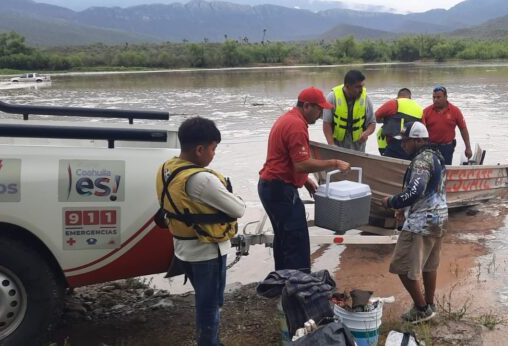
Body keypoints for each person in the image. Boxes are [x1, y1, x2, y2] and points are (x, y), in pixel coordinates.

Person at [156, 117, 246, 346]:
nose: (214, 154)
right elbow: (239, 209)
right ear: (199, 149)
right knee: (210, 307)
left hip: (184, 249)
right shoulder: (201, 180)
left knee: (204, 301)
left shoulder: (167, 168)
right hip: (207, 253)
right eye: (213, 148)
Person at [259, 86, 351, 272]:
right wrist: (334, 162)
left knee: (284, 239)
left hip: (270, 186)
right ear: (307, 106)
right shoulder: (296, 126)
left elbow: (288, 160)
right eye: (319, 110)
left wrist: (304, 179)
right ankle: (300, 288)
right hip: (280, 189)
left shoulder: (289, 118)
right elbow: (301, 164)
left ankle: (283, 282)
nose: (320, 115)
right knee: (297, 241)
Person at [381, 122, 448, 324]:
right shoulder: (436, 156)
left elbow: (415, 191)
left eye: (407, 141)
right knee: (429, 266)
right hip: (439, 218)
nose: (403, 145)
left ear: (419, 140)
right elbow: (428, 190)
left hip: (422, 222)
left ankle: (421, 309)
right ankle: (430, 305)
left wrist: (393, 202)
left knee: (401, 266)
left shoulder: (421, 161)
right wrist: (404, 208)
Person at [322, 70, 376, 152]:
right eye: (357, 87)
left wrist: (366, 133)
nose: (361, 90)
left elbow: (372, 123)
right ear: (347, 86)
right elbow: (326, 124)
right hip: (338, 144)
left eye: (362, 86)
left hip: (358, 146)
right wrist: (331, 145)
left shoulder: (365, 99)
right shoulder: (332, 97)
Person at [422, 85, 472, 165]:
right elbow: (421, 132)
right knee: (430, 169)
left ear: (446, 97)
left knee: (445, 170)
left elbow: (463, 129)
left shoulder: (455, 111)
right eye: (434, 97)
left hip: (447, 148)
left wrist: (468, 147)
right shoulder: (426, 111)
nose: (435, 100)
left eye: (438, 97)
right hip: (430, 147)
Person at [375, 87, 424, 159]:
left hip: (395, 143)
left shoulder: (394, 103)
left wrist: (385, 120)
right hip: (413, 146)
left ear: (398, 97)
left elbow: (376, 116)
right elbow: (423, 130)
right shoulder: (420, 109)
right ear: (410, 98)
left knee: (388, 164)